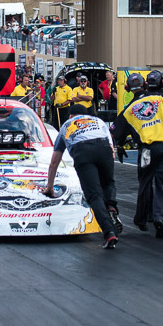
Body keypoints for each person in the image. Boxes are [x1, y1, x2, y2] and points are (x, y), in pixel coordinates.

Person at [110, 73, 163, 238]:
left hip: (147, 150)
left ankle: (141, 218)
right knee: (162, 185)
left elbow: (114, 133)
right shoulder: (160, 100)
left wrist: (117, 147)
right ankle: (159, 218)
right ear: (145, 85)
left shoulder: (128, 110)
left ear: (127, 89)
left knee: (145, 183)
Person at [43, 105, 121, 249]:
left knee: (94, 195)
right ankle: (111, 205)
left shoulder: (66, 125)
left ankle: (109, 232)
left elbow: (54, 162)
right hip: (103, 148)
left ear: (71, 115)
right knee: (108, 183)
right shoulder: (98, 121)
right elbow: (112, 150)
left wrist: (49, 186)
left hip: (82, 151)